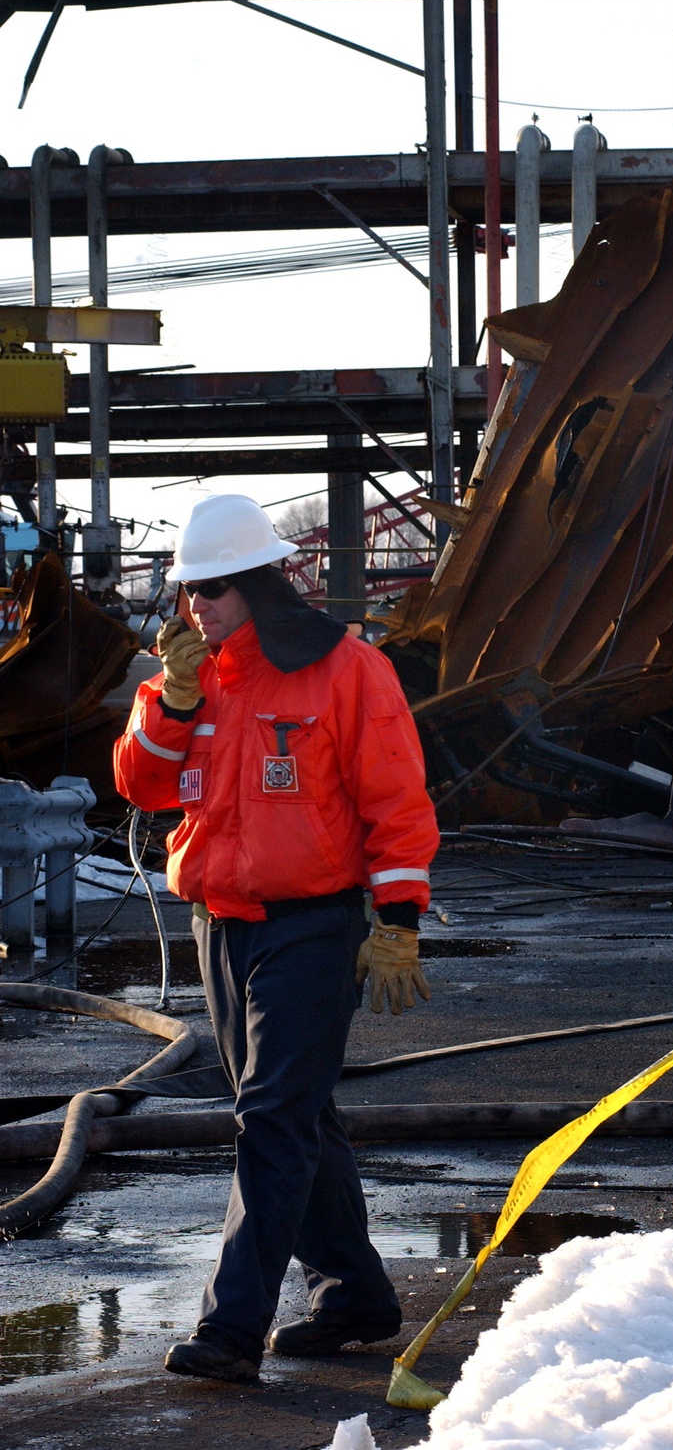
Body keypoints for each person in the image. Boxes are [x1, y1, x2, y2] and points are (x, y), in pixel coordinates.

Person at [114, 492, 440, 1383]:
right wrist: (174, 702)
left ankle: (230, 1329)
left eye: (213, 589)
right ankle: (357, 1296)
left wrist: (397, 921)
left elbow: (396, 801)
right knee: (297, 1116)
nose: (197, 607)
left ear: (259, 582)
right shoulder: (192, 675)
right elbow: (140, 785)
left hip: (312, 925)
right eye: (188, 590)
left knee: (270, 1116)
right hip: (220, 927)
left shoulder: (348, 671)